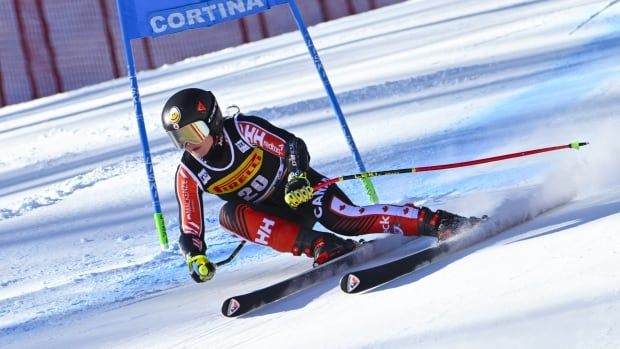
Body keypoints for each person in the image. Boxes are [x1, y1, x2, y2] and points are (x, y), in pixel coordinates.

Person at [162, 88, 476, 283]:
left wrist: (297, 175)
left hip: (301, 192)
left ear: (214, 122)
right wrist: (195, 255)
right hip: (278, 219)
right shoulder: (189, 171)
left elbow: (291, 146)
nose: (188, 144)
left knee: (345, 218)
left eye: (193, 133)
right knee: (229, 216)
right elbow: (190, 226)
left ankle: (437, 221)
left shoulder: (242, 130)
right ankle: (322, 245)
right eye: (179, 138)